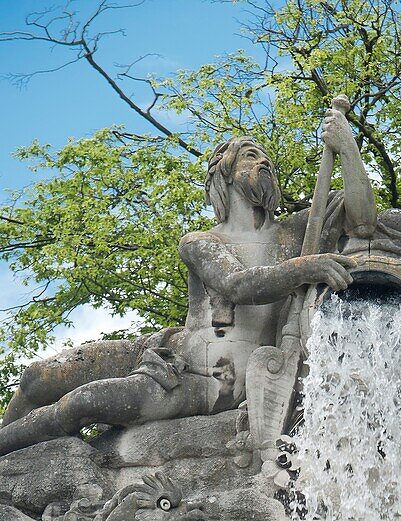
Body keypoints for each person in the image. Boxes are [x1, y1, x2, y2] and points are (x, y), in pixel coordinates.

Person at [0, 109, 377, 455]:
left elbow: (362, 221)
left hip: (207, 381)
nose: (263, 162)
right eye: (250, 155)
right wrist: (303, 268)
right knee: (39, 376)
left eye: (267, 160)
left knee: (83, 403)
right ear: (223, 173)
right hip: (169, 347)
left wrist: (347, 148)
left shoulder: (295, 234)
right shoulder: (200, 242)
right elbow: (236, 285)